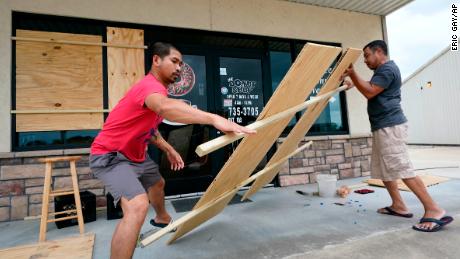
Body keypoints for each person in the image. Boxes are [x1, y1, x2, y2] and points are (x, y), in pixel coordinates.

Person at [89, 42, 255, 259]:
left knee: (157, 183)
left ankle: (162, 218)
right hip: (111, 156)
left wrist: (168, 149)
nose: (179, 68)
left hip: (136, 155)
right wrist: (214, 118)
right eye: (174, 61)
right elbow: (165, 108)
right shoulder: (149, 88)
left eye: (181, 64)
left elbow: (151, 129)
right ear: (156, 60)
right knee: (138, 206)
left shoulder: (159, 92)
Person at [342, 40, 453, 232]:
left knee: (402, 168)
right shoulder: (381, 73)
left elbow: (369, 92)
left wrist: (353, 73)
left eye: (367, 56)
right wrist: (354, 83)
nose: (365, 61)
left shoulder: (387, 69)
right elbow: (370, 88)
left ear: (379, 52)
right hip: (382, 126)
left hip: (390, 127)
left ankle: (433, 209)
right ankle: (398, 205)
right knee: (385, 169)